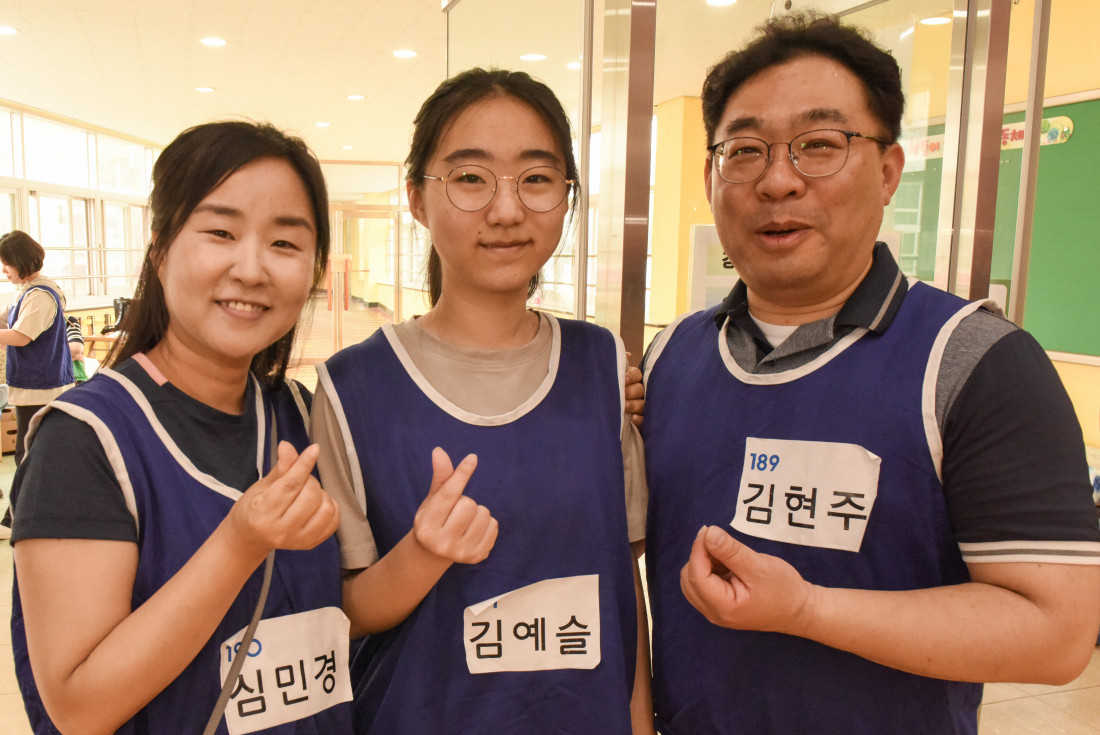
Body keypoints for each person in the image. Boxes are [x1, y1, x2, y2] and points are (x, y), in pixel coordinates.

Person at [641, 13, 1100, 735]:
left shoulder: (974, 361)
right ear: (711, 176)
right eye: (745, 150)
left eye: (819, 145)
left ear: (888, 171)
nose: (778, 181)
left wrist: (808, 609)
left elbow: (1057, 632)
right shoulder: (669, 357)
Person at [312, 68, 654, 734]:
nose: (506, 210)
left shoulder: (602, 365)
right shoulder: (353, 387)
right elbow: (340, 611)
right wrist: (422, 553)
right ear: (417, 197)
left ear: (567, 195)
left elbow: (618, 579)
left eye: (536, 178)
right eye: (471, 178)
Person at [10, 121, 353, 735]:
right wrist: (239, 544)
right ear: (161, 249)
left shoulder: (299, 415)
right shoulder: (86, 441)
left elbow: (332, 610)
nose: (252, 269)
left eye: (285, 242)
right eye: (221, 232)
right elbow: (79, 707)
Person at [0, 230, 75, 467]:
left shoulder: (41, 295)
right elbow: (4, 320)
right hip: (31, 383)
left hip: (42, 386)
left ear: (20, 262)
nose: (3, 271)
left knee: (29, 455)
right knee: (28, 453)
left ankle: (29, 494)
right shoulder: (25, 291)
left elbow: (20, 336)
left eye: (6, 264)